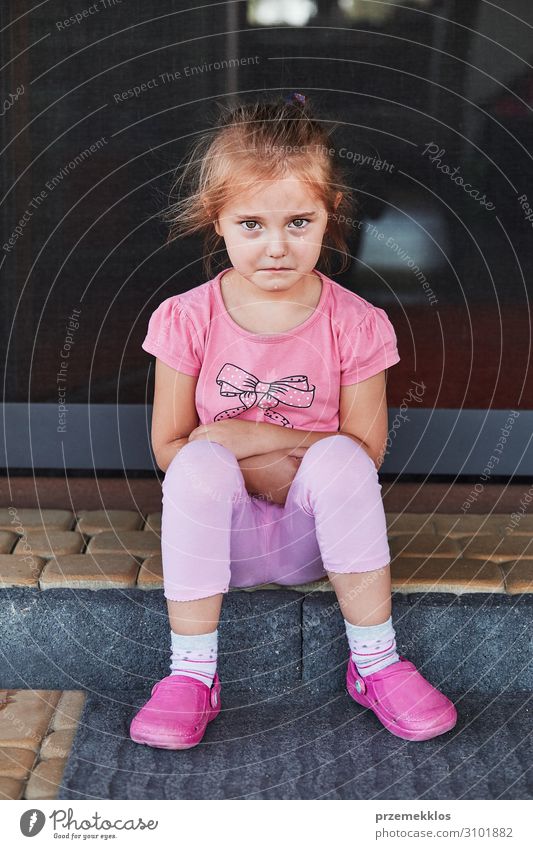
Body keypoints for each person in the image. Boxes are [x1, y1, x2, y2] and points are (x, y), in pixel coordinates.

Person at [130, 93, 457, 750]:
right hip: (224, 542)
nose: (275, 246)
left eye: (298, 222)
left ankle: (375, 661)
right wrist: (245, 453)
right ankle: (191, 675)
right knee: (197, 462)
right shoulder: (186, 317)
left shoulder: (356, 322)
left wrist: (257, 437)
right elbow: (171, 446)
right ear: (214, 219)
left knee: (337, 460)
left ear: (328, 216)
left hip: (317, 542)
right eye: (250, 223)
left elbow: (362, 451)